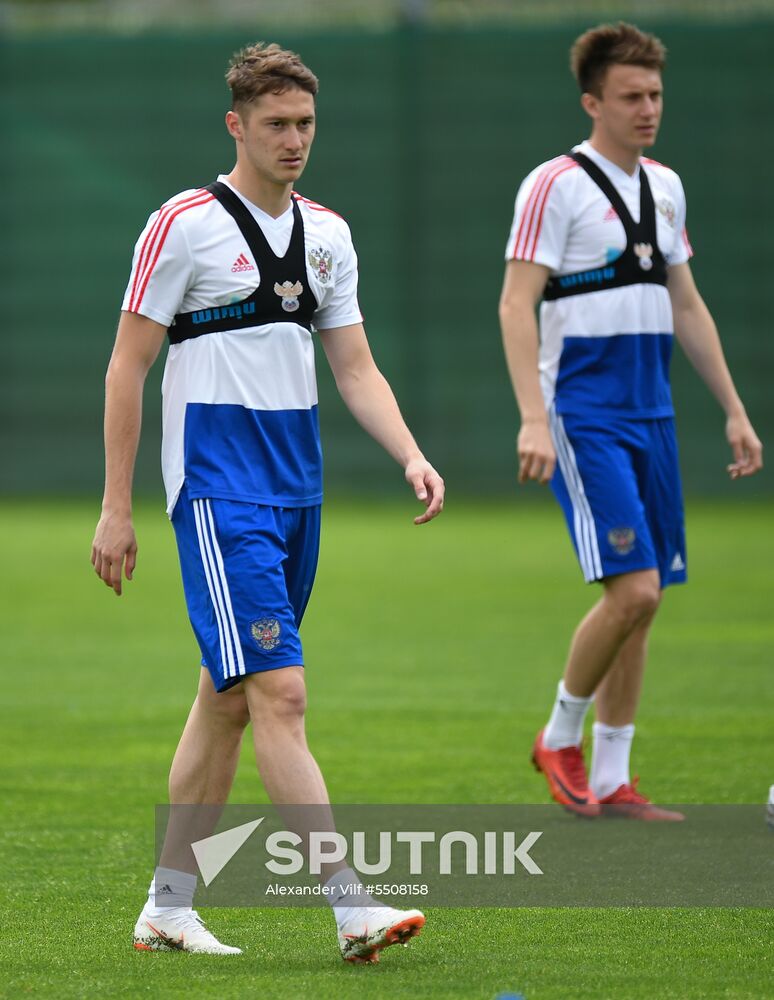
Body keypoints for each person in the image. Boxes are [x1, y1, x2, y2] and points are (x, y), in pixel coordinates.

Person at [91, 41, 444, 962]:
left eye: (306, 124)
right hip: (217, 490)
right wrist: (117, 507)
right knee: (280, 692)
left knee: (228, 700)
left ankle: (167, 909)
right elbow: (127, 367)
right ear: (236, 125)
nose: (295, 139)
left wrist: (410, 453)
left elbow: (355, 366)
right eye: (277, 124)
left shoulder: (330, 234)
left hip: (297, 492)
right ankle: (351, 907)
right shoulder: (183, 225)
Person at [499, 22, 762, 820]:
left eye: (655, 94)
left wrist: (734, 410)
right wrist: (533, 418)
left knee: (646, 601)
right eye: (631, 96)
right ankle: (559, 737)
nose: (648, 109)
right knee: (634, 590)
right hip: (585, 416)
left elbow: (687, 305)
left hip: (654, 416)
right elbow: (515, 304)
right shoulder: (555, 185)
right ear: (592, 102)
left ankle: (613, 778)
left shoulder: (667, 187)